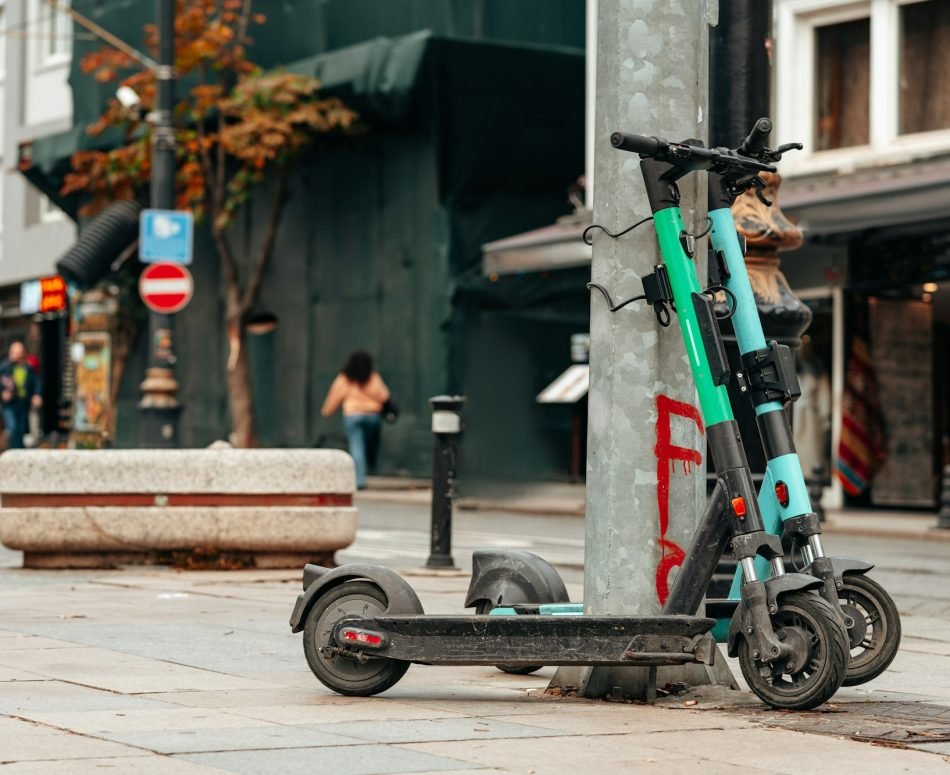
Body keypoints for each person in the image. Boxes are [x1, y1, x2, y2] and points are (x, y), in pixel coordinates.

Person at [321, 351, 389, 489]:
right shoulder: (373, 377)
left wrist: (327, 411)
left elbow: (334, 396)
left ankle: (359, 480)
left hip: (353, 415)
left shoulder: (345, 378)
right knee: (366, 445)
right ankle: (367, 469)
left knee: (357, 446)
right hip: (372, 416)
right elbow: (383, 395)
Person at [0, 342, 42, 450]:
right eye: (14, 352)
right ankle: (14, 449)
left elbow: (36, 382)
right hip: (9, 404)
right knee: (13, 427)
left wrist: (37, 395)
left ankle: (18, 450)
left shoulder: (28, 368)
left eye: (18, 352)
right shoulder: (4, 367)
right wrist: (2, 393)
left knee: (21, 429)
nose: (15, 355)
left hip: (23, 403)